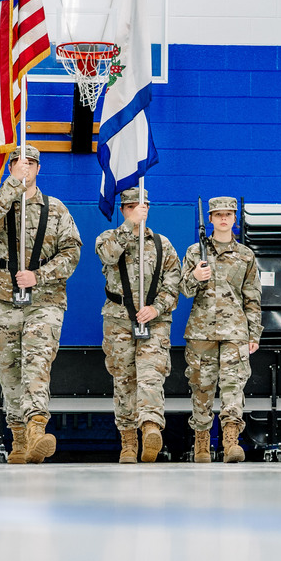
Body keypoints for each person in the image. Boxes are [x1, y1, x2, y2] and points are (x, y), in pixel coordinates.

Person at [0, 146, 81, 464]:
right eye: (20, 163)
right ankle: (19, 440)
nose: (26, 168)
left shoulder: (56, 209)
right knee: (9, 370)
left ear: (39, 168)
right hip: (2, 296)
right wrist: (12, 186)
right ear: (11, 168)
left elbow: (72, 253)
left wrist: (39, 275)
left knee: (36, 364)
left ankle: (37, 429)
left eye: (31, 163)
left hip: (44, 300)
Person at [95, 186, 181, 463]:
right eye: (130, 207)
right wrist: (129, 227)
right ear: (123, 210)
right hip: (118, 319)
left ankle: (151, 428)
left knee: (151, 375)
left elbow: (173, 283)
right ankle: (128, 441)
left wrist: (157, 307)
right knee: (124, 380)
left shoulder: (162, 244)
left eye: (140, 206)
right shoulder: (109, 238)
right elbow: (107, 256)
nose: (136, 211)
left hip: (154, 321)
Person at [180, 197, 262, 463]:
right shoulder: (195, 252)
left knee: (233, 387)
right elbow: (183, 289)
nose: (223, 219)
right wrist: (194, 277)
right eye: (218, 215)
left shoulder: (245, 255)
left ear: (235, 218)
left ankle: (230, 443)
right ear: (211, 219)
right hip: (201, 332)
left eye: (228, 214)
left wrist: (254, 333)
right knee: (201, 388)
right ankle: (202, 443)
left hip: (235, 331)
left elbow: (252, 298)